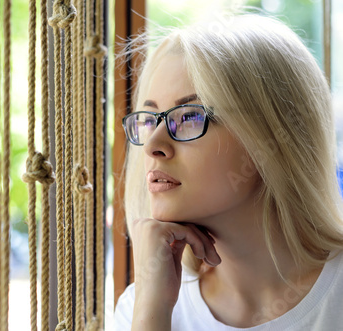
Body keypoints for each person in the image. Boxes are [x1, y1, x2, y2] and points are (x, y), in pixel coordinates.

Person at [114, 13, 343, 330]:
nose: (153, 145)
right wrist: (151, 314)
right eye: (150, 119)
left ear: (270, 135)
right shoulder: (143, 306)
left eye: (190, 116)